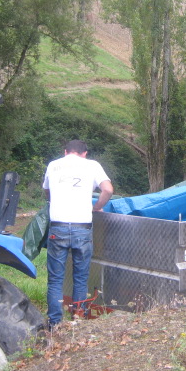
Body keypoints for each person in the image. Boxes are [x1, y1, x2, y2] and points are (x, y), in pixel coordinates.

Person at [43, 140, 114, 328]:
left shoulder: (53, 165)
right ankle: (78, 319)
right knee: (81, 277)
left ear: (65, 152)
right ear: (85, 153)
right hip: (82, 227)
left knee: (55, 279)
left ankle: (55, 323)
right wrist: (96, 207)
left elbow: (47, 191)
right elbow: (108, 190)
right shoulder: (92, 165)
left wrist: (54, 202)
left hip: (57, 227)